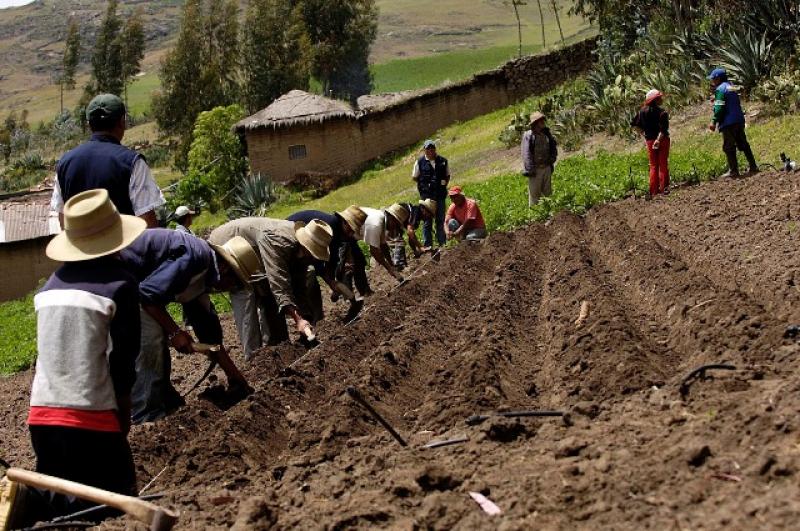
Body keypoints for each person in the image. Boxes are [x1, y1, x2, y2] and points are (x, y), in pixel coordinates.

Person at [11, 189, 146, 526]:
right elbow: (124, 360)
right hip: (91, 420)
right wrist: (124, 409)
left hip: (42, 419)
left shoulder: (49, 289)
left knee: (61, 510)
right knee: (117, 508)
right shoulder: (120, 285)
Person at [119, 228, 251, 423]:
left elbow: (209, 336)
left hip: (134, 286)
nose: (233, 289)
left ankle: (166, 400)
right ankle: (145, 415)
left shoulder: (202, 277)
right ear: (224, 269)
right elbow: (147, 296)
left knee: (157, 335)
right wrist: (175, 333)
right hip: (120, 280)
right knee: (153, 339)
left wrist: (234, 376)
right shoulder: (195, 258)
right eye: (235, 283)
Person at [208, 218, 334, 360]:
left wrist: (304, 316)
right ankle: (255, 360)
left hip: (256, 253)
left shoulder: (302, 253)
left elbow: (298, 286)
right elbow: (279, 284)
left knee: (269, 298)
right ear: (307, 246)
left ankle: (276, 348)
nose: (315, 258)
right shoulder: (279, 241)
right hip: (230, 247)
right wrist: (297, 319)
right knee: (247, 301)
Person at [51, 94, 165, 228]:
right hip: (124, 247)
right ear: (122, 122)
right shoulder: (132, 162)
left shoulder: (65, 163)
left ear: (89, 125)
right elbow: (147, 221)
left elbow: (63, 217)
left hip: (80, 247)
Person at [287, 206, 370, 316]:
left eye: (352, 231)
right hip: (293, 240)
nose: (350, 234)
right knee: (308, 276)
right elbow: (317, 259)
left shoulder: (338, 228)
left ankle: (316, 315)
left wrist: (332, 281)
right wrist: (330, 281)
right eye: (350, 229)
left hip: (305, 245)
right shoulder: (330, 227)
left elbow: (332, 257)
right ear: (344, 222)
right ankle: (315, 317)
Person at [707, 68, 759, 177]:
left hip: (728, 122)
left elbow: (720, 107)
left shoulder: (720, 89)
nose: (713, 81)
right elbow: (730, 100)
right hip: (738, 120)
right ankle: (753, 166)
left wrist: (713, 121)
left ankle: (733, 171)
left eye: (713, 79)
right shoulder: (731, 87)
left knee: (728, 147)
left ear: (718, 78)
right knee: (743, 144)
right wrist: (716, 98)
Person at [632, 89, 671, 197]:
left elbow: (634, 124)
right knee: (663, 164)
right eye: (660, 97)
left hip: (649, 141)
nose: (661, 99)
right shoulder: (662, 112)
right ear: (656, 100)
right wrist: (658, 140)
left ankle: (653, 191)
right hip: (662, 140)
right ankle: (664, 188)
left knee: (653, 165)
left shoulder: (641, 112)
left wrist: (644, 133)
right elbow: (663, 130)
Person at [412, 139, 449, 249]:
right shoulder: (419, 162)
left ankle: (442, 243)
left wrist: (442, 185)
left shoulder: (443, 161)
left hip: (440, 196)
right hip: (427, 198)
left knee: (440, 219)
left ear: (435, 149)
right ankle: (428, 245)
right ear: (424, 150)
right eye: (428, 149)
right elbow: (414, 177)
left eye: (432, 149)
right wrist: (424, 186)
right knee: (427, 221)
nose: (430, 151)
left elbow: (447, 176)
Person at [358, 204, 409, 282]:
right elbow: (374, 251)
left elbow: (383, 246)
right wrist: (390, 269)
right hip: (343, 232)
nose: (394, 229)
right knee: (353, 264)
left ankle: (365, 291)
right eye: (396, 225)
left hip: (351, 232)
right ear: (391, 217)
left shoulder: (382, 220)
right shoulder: (376, 224)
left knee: (358, 261)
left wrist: (391, 265)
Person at [521, 111, 558, 206]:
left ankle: (550, 212)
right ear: (535, 123)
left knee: (548, 192)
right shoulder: (528, 135)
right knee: (535, 195)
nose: (543, 123)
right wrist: (530, 169)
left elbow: (553, 147)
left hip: (546, 168)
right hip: (535, 170)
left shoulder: (546, 134)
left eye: (543, 121)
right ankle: (535, 216)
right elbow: (526, 153)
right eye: (540, 121)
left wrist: (552, 159)